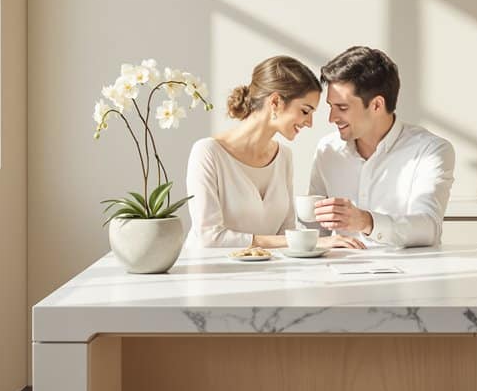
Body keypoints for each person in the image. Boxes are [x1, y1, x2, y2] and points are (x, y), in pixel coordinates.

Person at [187, 56, 367, 249]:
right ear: (275, 102)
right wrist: (316, 241)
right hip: (212, 273)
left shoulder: (284, 156)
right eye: (305, 111)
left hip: (269, 274)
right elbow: (209, 237)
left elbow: (285, 232)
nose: (309, 123)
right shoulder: (208, 152)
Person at [309, 46, 455, 248]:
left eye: (342, 108)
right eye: (330, 106)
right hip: (336, 273)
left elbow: (428, 227)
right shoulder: (328, 149)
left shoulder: (430, 150)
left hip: (409, 275)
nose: (331, 118)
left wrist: (366, 221)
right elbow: (313, 228)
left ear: (377, 105)